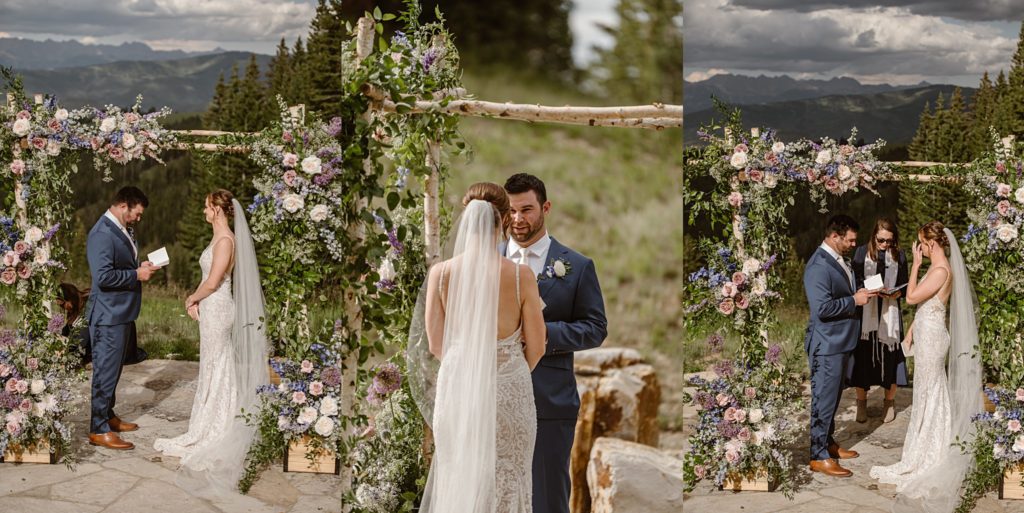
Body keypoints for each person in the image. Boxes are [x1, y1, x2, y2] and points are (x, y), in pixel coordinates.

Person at [419, 183, 547, 512]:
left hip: (459, 389)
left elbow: (436, 344)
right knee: (510, 479)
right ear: (505, 219)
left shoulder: (441, 274)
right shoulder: (520, 276)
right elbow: (537, 346)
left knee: (459, 476)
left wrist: (470, 367)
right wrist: (509, 372)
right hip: (509, 394)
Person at [503, 173, 607, 513]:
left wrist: (543, 334)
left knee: (547, 498)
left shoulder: (576, 266)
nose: (518, 220)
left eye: (527, 210)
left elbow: (595, 328)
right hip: (495, 400)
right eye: (511, 210)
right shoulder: (488, 261)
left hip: (549, 400)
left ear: (545, 207)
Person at [154, 189, 269, 497]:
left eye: (206, 207)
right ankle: (211, 419)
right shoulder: (220, 239)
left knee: (218, 364)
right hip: (211, 307)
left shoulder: (225, 241)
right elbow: (208, 280)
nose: (204, 211)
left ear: (217, 210)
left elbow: (215, 280)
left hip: (218, 309)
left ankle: (217, 427)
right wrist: (196, 302)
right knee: (213, 365)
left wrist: (192, 298)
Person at [870, 221, 983, 513]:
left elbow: (910, 298)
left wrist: (916, 264)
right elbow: (924, 308)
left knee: (930, 392)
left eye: (921, 243)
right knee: (927, 393)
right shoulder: (941, 268)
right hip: (927, 332)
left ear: (931, 244)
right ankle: (927, 445)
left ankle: (930, 453)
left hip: (933, 339)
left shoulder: (941, 269)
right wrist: (910, 332)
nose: (918, 248)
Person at [803, 214, 877, 477]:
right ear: (835, 236)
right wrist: (854, 301)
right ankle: (818, 455)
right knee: (823, 399)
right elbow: (822, 309)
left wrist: (865, 292)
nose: (854, 245)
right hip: (827, 345)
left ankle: (828, 443)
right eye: (850, 240)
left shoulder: (839, 260)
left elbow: (844, 292)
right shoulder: (818, 266)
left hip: (841, 342)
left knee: (832, 399)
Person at [86, 186, 158, 450]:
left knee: (114, 370)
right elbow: (103, 277)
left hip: (121, 312)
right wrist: (135, 276)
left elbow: (122, 265)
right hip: (108, 315)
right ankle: (98, 428)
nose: (138, 219)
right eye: (136, 213)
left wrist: (140, 268)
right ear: (124, 205)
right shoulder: (102, 233)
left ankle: (108, 415)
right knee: (104, 372)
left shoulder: (121, 229)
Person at [848, 218, 909, 423]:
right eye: (881, 241)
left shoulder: (899, 255)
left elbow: (905, 286)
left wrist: (895, 294)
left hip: (889, 313)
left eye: (889, 241)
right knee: (862, 358)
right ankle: (861, 403)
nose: (885, 245)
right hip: (866, 313)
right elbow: (854, 281)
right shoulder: (861, 253)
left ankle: (889, 403)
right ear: (874, 236)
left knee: (891, 357)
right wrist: (871, 288)